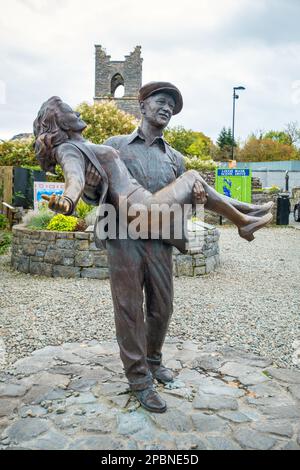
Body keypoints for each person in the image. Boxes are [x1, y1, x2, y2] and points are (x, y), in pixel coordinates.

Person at [34, 91, 273, 413]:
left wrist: (198, 194)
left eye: (172, 106)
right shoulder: (114, 143)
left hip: (160, 234)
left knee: (162, 307)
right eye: (160, 102)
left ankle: (153, 360)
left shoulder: (174, 156)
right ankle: (138, 379)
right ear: (142, 106)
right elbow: (84, 184)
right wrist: (74, 195)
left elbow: (181, 195)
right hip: (123, 235)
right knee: (130, 309)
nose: (166, 108)